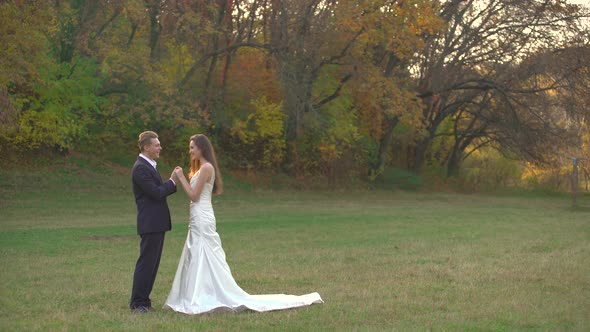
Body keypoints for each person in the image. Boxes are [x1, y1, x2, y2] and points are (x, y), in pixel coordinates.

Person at [164, 134, 323, 314]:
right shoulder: (200, 168)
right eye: (189, 147)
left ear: (202, 148)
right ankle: (197, 292)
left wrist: (180, 177)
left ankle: (205, 295)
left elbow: (194, 196)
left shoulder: (207, 168)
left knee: (203, 251)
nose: (190, 150)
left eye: (193, 147)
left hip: (202, 216)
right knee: (196, 252)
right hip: (196, 217)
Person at [130, 131, 178, 313]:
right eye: (156, 145)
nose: (160, 147)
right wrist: (172, 181)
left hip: (156, 224)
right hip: (150, 223)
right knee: (146, 264)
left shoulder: (149, 165)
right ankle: (137, 304)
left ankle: (145, 301)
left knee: (152, 264)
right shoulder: (141, 168)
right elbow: (156, 193)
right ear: (146, 147)